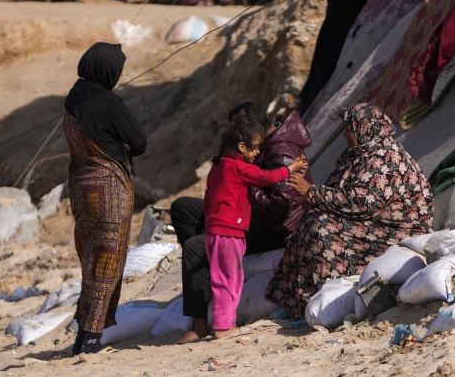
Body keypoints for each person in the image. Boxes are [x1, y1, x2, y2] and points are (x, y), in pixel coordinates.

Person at [265, 103, 434, 320]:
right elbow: (338, 190)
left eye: (349, 128)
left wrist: (313, 193)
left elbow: (360, 203)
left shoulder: (386, 158)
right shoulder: (358, 155)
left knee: (322, 230)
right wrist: (313, 200)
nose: (345, 134)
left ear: (363, 128)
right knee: (312, 220)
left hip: (394, 231)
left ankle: (328, 300)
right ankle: (299, 303)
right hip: (371, 223)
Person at [172, 102, 312, 344]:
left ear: (253, 131)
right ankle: (207, 279)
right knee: (183, 208)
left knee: (197, 248)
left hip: (273, 229)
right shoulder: (237, 158)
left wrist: (239, 185)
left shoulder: (281, 152)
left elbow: (279, 208)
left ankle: (200, 323)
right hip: (241, 216)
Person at [62, 42, 147, 355]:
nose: (119, 75)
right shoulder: (108, 100)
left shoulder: (74, 96)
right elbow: (139, 141)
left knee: (90, 262)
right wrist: (122, 148)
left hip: (80, 190)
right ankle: (91, 340)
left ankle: (84, 336)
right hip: (111, 190)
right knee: (108, 264)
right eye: (118, 70)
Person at [202, 117, 308, 338]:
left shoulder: (217, 168)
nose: (258, 152)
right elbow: (265, 177)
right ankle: (222, 327)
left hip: (215, 233)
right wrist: (291, 168)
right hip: (228, 234)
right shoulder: (237, 167)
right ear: (241, 147)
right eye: (255, 148)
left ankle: (226, 322)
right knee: (228, 279)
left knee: (228, 277)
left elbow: (207, 200)